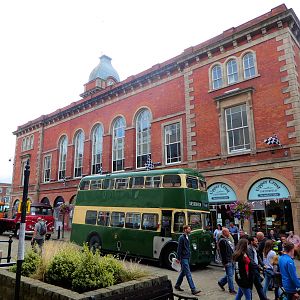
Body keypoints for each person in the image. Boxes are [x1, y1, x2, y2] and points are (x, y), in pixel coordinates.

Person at [174, 225, 201, 295]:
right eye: (189, 229)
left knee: (183, 272)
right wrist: (178, 258)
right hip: (184, 258)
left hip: (187, 257)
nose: (190, 230)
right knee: (188, 273)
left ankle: (177, 285)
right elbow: (179, 249)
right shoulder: (181, 238)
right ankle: (193, 289)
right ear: (185, 230)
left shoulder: (187, 237)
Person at [217, 227, 237, 295]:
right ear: (224, 233)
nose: (229, 233)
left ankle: (221, 282)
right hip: (228, 260)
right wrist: (225, 262)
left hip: (231, 259)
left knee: (230, 274)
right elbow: (222, 253)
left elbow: (231, 249)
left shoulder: (227, 239)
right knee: (230, 275)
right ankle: (231, 289)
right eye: (228, 232)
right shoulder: (222, 241)